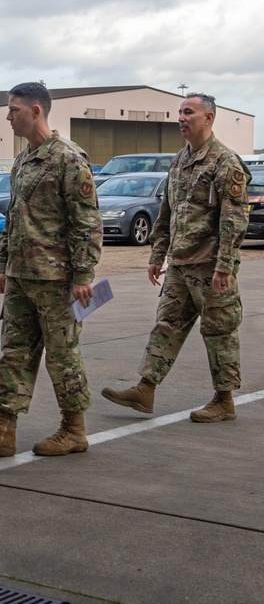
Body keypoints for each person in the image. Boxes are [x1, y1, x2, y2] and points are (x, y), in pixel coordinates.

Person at [0, 82, 102, 458]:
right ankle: (3, 431)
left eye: (14, 110)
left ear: (36, 111)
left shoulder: (69, 159)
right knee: (14, 354)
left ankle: (74, 429)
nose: (8, 117)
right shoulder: (23, 159)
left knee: (62, 354)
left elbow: (86, 222)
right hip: (22, 275)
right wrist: (3, 263)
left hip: (57, 279)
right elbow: (14, 216)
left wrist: (84, 275)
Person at [101, 93, 250, 422]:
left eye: (188, 112)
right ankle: (146, 388)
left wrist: (225, 266)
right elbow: (166, 214)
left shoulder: (226, 163)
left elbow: (234, 221)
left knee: (218, 331)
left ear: (208, 118)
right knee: (166, 325)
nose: (181, 118)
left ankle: (224, 399)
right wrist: (157, 254)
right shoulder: (180, 161)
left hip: (212, 267)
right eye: (179, 113)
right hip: (180, 265)